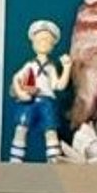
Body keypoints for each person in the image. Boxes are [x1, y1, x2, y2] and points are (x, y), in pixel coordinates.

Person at [9, 18, 71, 162]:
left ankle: (54, 162)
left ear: (52, 45)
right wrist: (21, 93)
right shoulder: (30, 65)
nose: (43, 43)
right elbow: (16, 78)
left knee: (50, 130)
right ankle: (15, 162)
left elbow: (59, 86)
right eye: (40, 40)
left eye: (47, 40)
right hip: (29, 102)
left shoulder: (51, 67)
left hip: (46, 102)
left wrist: (67, 68)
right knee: (21, 128)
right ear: (33, 42)